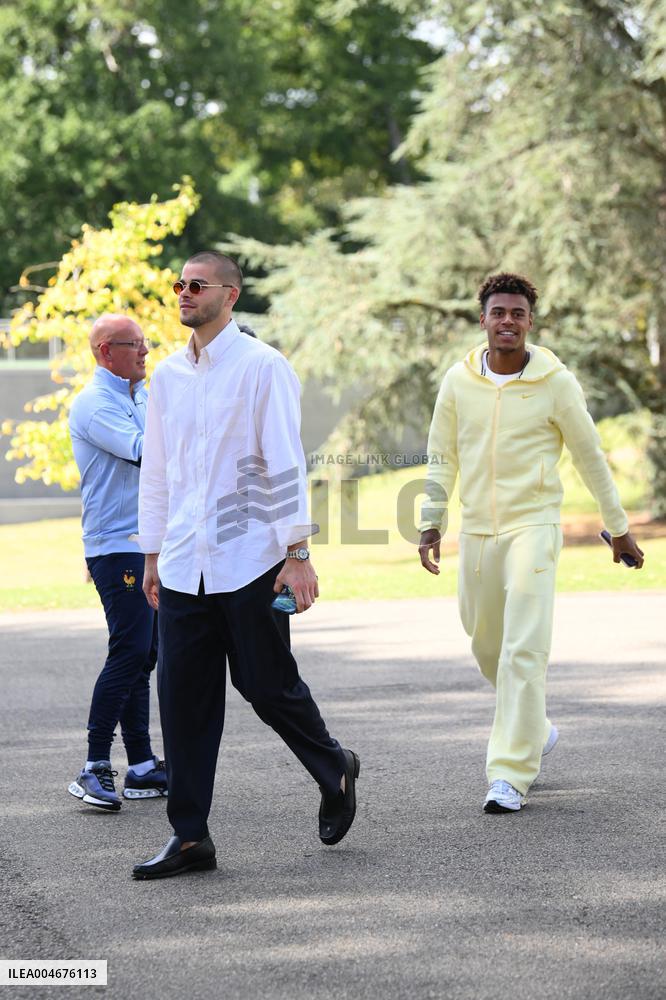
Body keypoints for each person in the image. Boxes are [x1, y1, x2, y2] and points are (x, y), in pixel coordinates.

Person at [132, 251, 358, 879]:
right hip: (182, 564)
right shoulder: (169, 378)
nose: (183, 293)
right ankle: (189, 838)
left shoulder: (263, 367)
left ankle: (334, 767)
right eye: (179, 284)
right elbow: (159, 471)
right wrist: (152, 551)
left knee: (265, 685)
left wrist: (298, 555)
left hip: (250, 560)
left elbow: (285, 461)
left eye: (196, 285)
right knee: (181, 701)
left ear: (229, 296)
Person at [418, 272, 644, 814]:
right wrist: (430, 520)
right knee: (486, 645)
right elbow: (441, 454)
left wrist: (617, 525)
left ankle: (509, 774)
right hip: (476, 529)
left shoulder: (555, 383)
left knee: (524, 650)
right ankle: (535, 726)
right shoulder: (458, 380)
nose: (508, 322)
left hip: (533, 528)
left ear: (529, 322)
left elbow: (590, 455)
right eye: (499, 313)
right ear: (483, 320)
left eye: (518, 314)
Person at [67, 315, 167, 812]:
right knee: (130, 650)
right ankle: (93, 766)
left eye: (147, 344)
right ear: (106, 351)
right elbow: (145, 452)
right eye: (136, 345)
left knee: (144, 652)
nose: (146, 352)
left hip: (144, 541)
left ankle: (143, 765)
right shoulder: (95, 403)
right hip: (115, 544)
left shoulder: (141, 394)